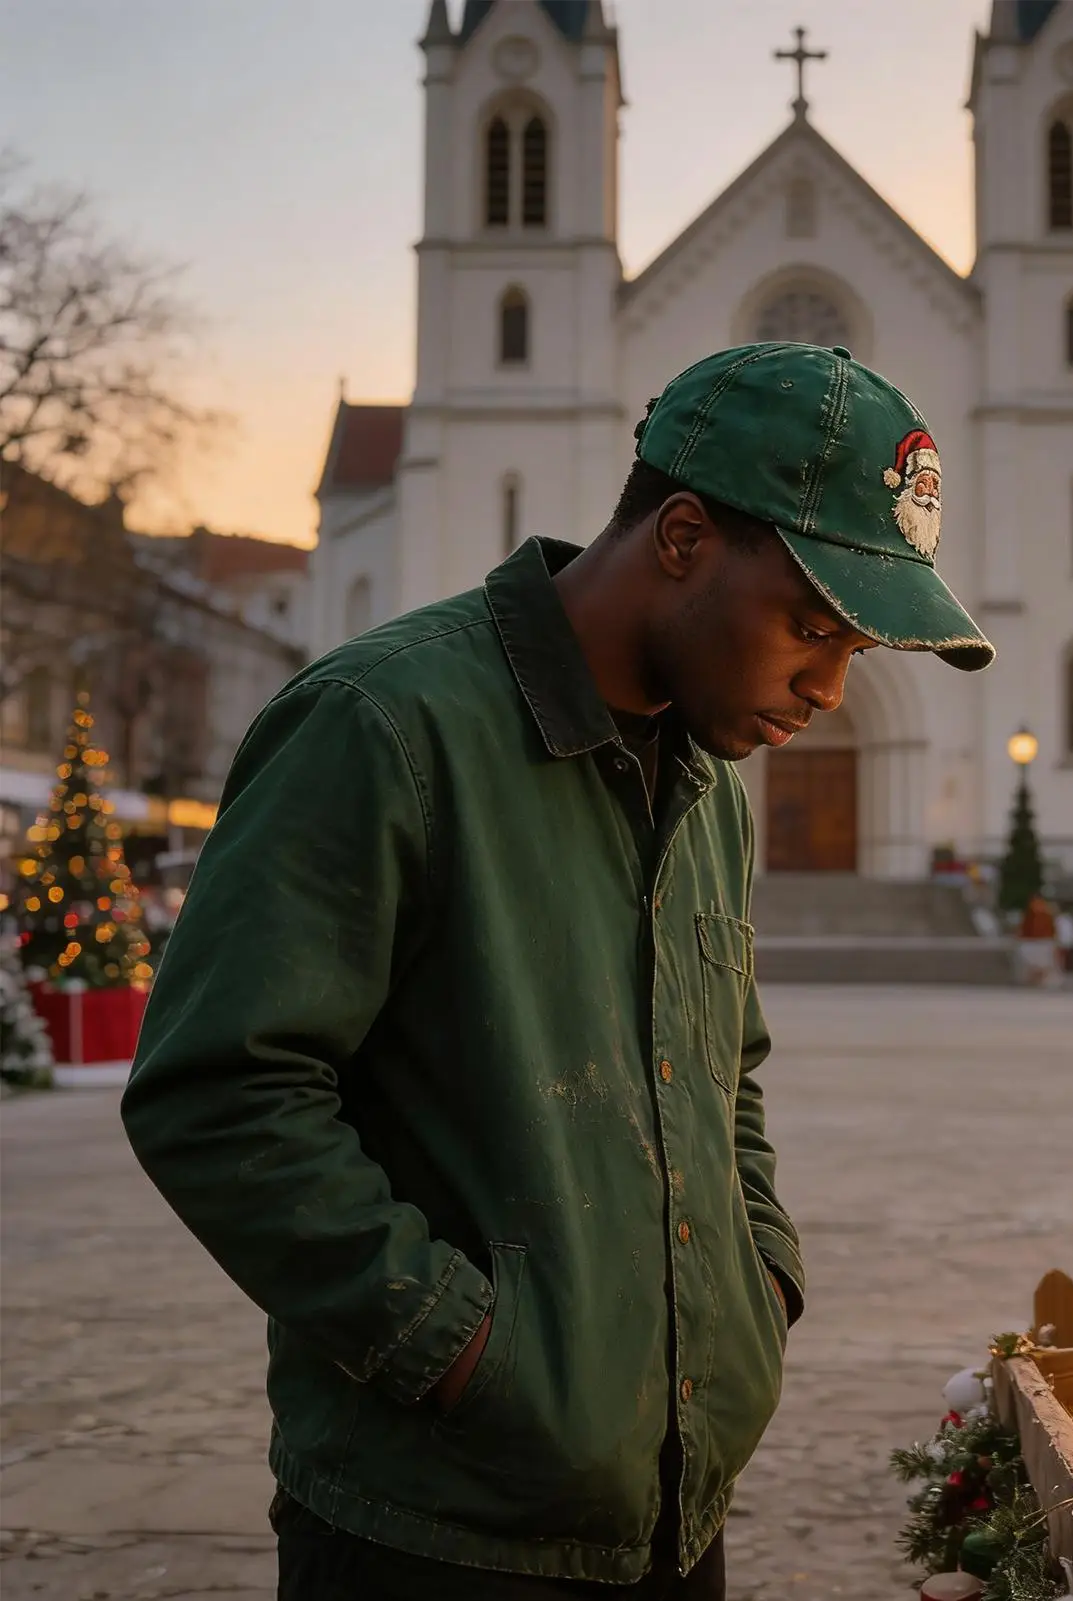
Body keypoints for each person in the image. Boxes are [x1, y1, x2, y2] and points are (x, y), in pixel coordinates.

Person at [119, 343, 993, 1601]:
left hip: (671, 1509)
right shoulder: (384, 723)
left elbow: (724, 1071)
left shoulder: (709, 785)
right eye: (811, 628)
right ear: (682, 536)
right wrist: (462, 1350)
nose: (827, 687)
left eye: (853, 647)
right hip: (437, 1532)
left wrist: (757, 1278)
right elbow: (218, 1091)